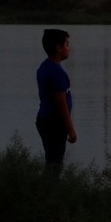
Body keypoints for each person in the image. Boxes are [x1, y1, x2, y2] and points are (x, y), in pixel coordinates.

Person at [35, 28, 77, 176]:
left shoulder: (44, 67)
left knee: (51, 159)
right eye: (66, 44)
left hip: (44, 120)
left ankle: (47, 189)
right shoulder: (58, 73)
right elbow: (61, 104)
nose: (69, 47)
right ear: (58, 48)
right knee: (55, 162)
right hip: (54, 123)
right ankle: (50, 191)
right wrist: (70, 129)